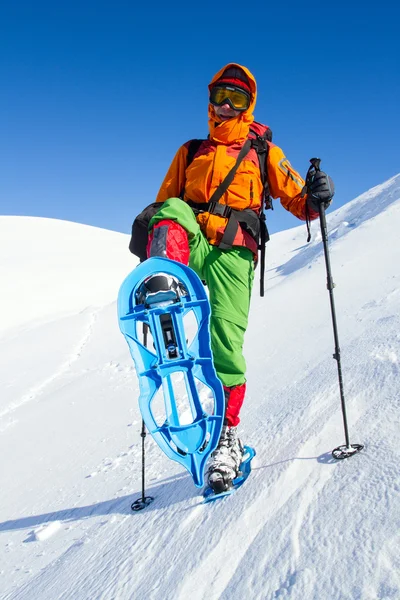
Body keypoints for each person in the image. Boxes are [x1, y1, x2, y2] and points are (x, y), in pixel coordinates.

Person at [145, 63, 334, 493]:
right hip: (191, 242)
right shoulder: (191, 151)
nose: (227, 106)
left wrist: (317, 195)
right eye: (221, 97)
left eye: (238, 99)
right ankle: (166, 290)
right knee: (172, 212)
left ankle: (228, 436)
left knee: (225, 341)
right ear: (209, 102)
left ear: (250, 106)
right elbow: (164, 205)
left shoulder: (265, 152)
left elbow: (300, 202)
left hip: (234, 252)